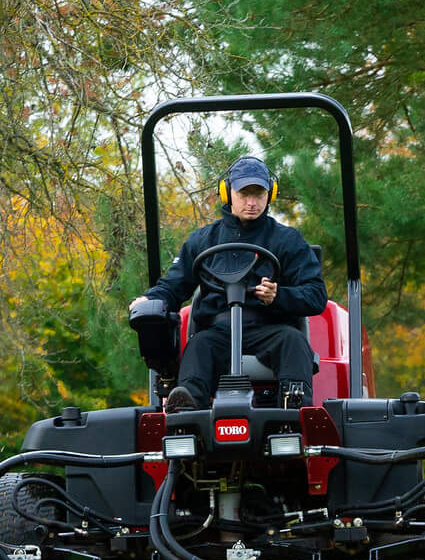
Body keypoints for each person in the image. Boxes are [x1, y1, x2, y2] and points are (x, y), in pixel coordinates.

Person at [132, 156, 326, 409]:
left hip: (269, 329)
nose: (252, 202)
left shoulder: (288, 240)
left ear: (270, 194)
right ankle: (186, 409)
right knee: (198, 345)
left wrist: (279, 296)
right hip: (219, 331)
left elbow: (316, 295)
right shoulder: (203, 240)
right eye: (244, 193)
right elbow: (174, 285)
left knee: (293, 341)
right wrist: (151, 299)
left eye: (259, 194)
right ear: (227, 193)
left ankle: (294, 407)